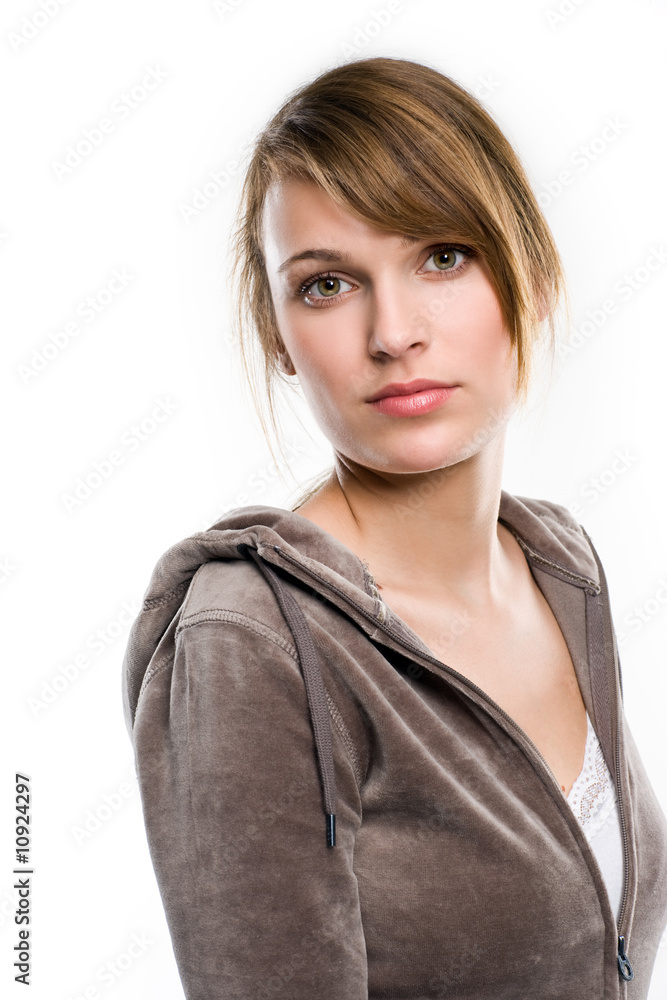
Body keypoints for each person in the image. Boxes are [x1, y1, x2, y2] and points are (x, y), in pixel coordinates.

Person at [122, 56, 667, 998]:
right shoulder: (250, 642)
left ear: (530, 273)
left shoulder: (558, 564)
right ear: (278, 336)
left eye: (442, 257)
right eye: (328, 284)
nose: (393, 333)